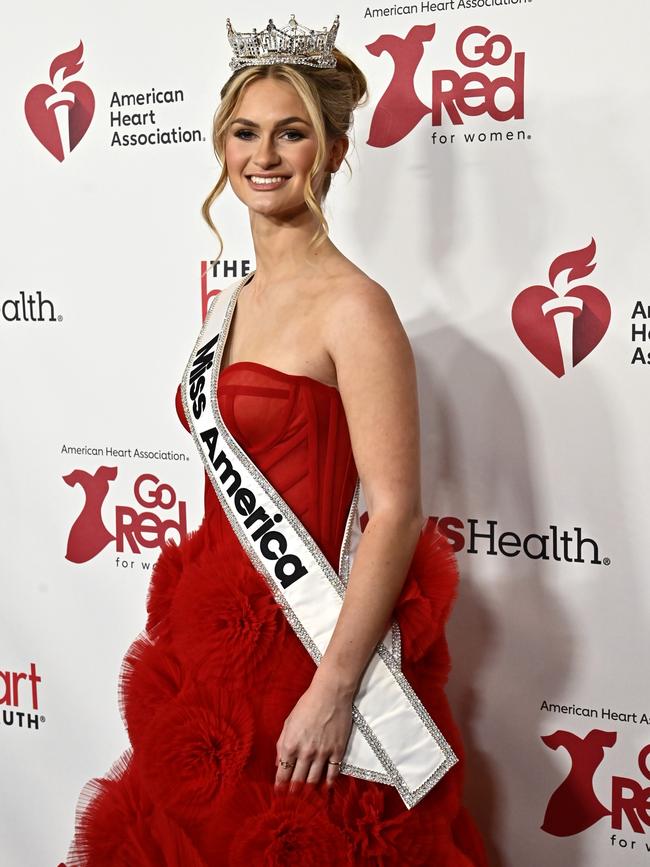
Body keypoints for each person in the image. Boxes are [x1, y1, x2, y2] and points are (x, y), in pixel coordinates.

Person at [63, 14, 488, 867]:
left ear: (331, 151)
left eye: (291, 133)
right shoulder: (234, 303)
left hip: (313, 645)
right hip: (214, 646)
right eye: (245, 133)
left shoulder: (354, 308)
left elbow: (396, 510)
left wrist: (333, 689)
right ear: (222, 148)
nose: (264, 155)